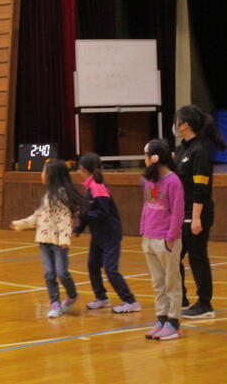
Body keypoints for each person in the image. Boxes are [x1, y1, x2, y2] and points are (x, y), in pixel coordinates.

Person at [174, 105, 227, 319]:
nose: (175, 124)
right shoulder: (182, 150)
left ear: (185, 125)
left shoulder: (200, 151)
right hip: (182, 213)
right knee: (172, 256)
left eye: (177, 120)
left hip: (197, 213)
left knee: (197, 257)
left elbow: (201, 188)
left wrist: (196, 218)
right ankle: (181, 298)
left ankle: (205, 304)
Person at [11, 159, 82, 318]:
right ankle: (55, 303)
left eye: (44, 171)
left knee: (62, 273)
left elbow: (65, 218)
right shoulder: (47, 195)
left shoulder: (62, 195)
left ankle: (72, 295)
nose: (42, 174)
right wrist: (21, 224)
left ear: (52, 175)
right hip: (44, 240)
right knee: (49, 273)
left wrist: (64, 238)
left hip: (59, 242)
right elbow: (39, 215)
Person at [74, 153, 140, 313]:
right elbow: (89, 210)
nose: (78, 171)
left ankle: (130, 301)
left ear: (83, 169)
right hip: (98, 234)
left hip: (110, 234)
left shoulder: (97, 187)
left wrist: (83, 215)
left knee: (110, 269)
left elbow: (103, 212)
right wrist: (79, 228)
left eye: (79, 168)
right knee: (93, 265)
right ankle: (102, 298)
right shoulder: (90, 186)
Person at [141, 139, 185, 341]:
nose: (144, 159)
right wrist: (143, 230)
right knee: (157, 282)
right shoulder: (150, 179)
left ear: (155, 158)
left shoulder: (173, 181)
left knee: (171, 282)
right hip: (149, 237)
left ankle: (174, 322)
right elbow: (147, 206)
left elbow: (177, 212)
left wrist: (171, 237)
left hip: (166, 240)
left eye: (146, 156)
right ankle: (161, 318)